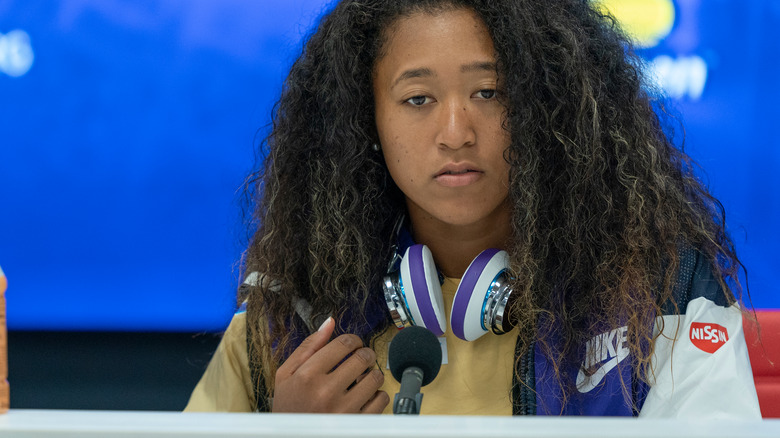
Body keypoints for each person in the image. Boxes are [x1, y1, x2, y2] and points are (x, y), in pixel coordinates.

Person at [185, 0, 761, 417]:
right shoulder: (291, 316)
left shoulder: (661, 292)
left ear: (549, 107)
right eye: (417, 99)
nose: (456, 132)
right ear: (368, 123)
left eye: (489, 92)